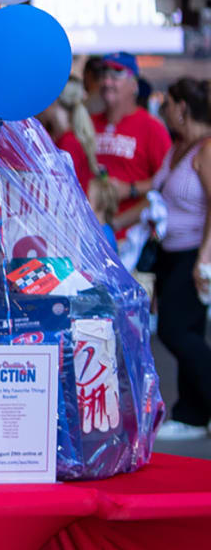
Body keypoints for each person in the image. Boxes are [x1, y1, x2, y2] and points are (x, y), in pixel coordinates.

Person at [151, 78, 211, 440]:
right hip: (169, 253)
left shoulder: (206, 149)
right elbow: (154, 192)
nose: (164, 111)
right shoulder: (179, 148)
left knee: (175, 331)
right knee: (184, 330)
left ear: (183, 108)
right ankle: (192, 412)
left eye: (168, 104)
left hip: (193, 252)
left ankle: (200, 405)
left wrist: (204, 258)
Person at [92, 52, 172, 228]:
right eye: (103, 75)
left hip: (132, 237)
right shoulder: (88, 124)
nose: (106, 82)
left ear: (134, 84)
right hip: (89, 232)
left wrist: (130, 189)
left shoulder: (152, 128)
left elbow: (168, 181)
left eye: (115, 76)